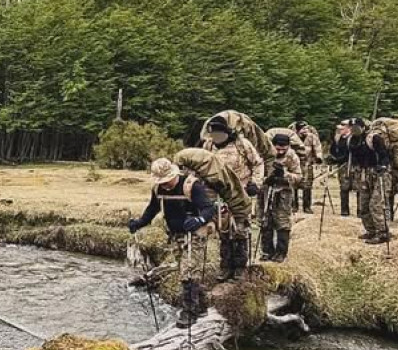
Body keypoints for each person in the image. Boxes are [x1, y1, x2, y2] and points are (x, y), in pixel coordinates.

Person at [128, 158, 217, 328]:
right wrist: (139, 223)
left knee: (189, 270)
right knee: (185, 268)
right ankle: (202, 304)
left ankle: (189, 313)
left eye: (168, 181)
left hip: (194, 235)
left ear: (174, 174)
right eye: (162, 182)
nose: (166, 185)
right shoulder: (157, 189)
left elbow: (209, 208)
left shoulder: (191, 186)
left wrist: (199, 219)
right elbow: (152, 209)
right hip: (175, 235)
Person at [202, 115, 264, 281]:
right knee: (223, 231)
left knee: (239, 231)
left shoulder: (242, 144)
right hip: (218, 194)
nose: (215, 137)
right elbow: (202, 166)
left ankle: (240, 267)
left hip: (240, 193)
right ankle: (225, 266)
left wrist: (255, 183)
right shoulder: (208, 145)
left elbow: (258, 164)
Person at [258, 133, 302, 262]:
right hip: (265, 191)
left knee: (282, 222)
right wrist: (266, 179)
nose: (281, 151)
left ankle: (281, 252)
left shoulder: (292, 156)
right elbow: (256, 171)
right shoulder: (264, 154)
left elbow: (299, 177)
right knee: (265, 220)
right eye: (278, 148)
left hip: (283, 193)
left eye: (284, 148)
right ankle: (267, 251)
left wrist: (285, 174)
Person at [289, 120, 324, 214]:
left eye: (306, 128)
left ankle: (307, 206)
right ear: (297, 130)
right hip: (294, 165)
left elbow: (317, 147)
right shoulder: (292, 137)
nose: (305, 130)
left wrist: (318, 157)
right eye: (303, 129)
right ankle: (293, 205)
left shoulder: (312, 137)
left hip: (307, 165)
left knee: (307, 185)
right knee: (293, 185)